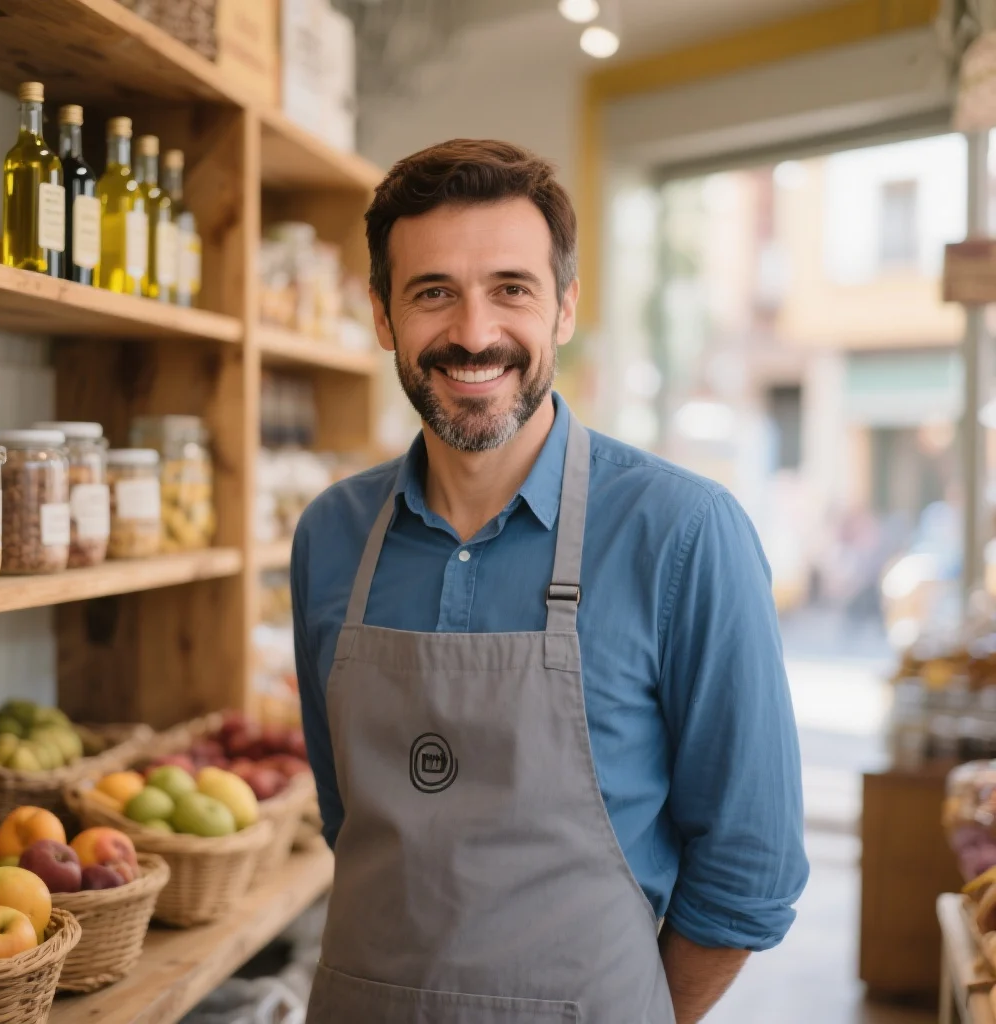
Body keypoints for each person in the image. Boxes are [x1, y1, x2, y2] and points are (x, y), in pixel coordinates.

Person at [292, 139, 809, 1024]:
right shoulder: (331, 536)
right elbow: (352, 820)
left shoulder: (683, 535)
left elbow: (749, 870)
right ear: (382, 316)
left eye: (512, 288)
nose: (474, 332)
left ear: (564, 307)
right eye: (432, 293)